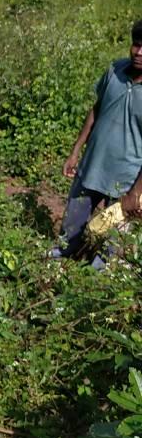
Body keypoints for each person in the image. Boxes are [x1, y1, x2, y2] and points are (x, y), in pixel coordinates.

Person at [52, 21, 142, 265]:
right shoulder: (116, 70)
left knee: (112, 248)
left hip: (125, 181)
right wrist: (75, 151)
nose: (139, 53)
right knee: (69, 234)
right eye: (136, 45)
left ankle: (98, 279)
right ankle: (61, 263)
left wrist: (136, 192)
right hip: (92, 166)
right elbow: (97, 109)